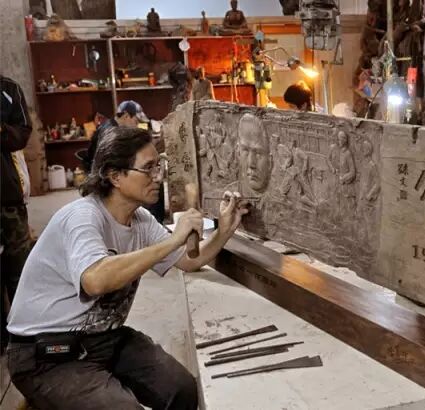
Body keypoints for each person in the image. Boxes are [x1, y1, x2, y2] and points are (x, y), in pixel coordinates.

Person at [6, 126, 248, 409]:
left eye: (159, 166)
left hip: (103, 338)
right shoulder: (83, 217)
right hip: (47, 354)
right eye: (148, 168)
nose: (158, 176)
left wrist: (224, 230)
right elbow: (95, 280)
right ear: (115, 176)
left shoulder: (141, 220)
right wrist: (174, 239)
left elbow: (187, 260)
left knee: (181, 389)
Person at [1, 76, 33, 353]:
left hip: (7, 197)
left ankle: (25, 334)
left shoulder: (8, 89)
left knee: (19, 269)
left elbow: (22, 134)